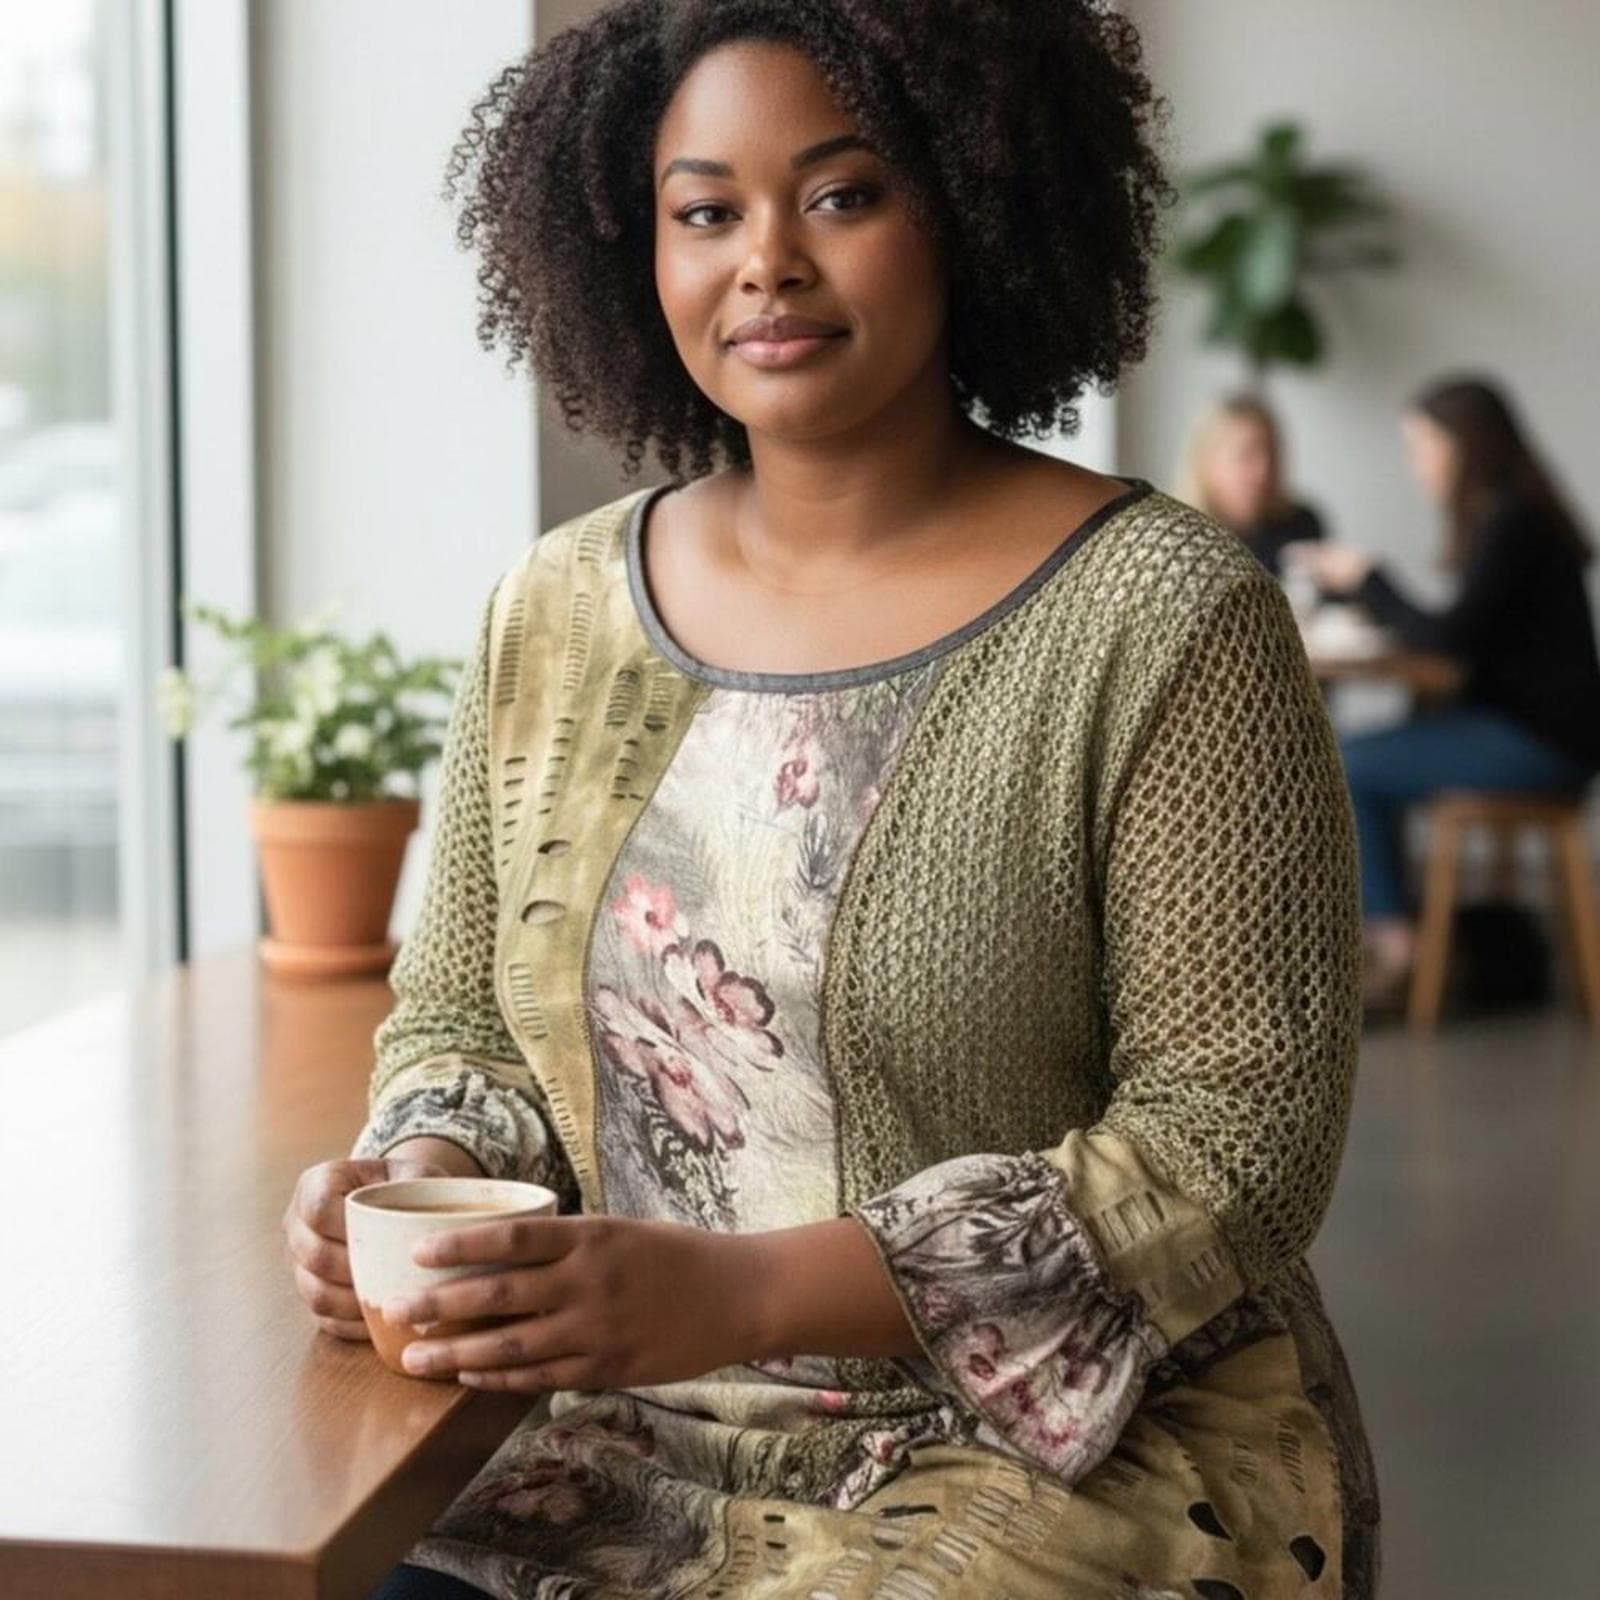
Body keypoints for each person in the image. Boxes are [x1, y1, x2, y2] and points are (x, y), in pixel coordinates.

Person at [282, 4, 1380, 1595]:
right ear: (633, 253)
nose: (767, 263)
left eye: (845, 195)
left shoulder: (1164, 615)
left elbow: (1236, 1145)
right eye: (705, 210)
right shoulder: (559, 607)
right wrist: (430, 1187)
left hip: (1074, 1451)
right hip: (622, 1434)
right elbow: (460, 1021)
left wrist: (743, 1295)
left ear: (974, 207)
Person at [1286, 375, 1600, 1013]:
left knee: (1345, 761)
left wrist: (1368, 576)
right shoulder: (1515, 518)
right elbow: (1466, 643)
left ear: (1462, 447)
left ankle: (1397, 951)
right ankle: (1400, 935)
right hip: (1540, 734)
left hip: (1541, 745)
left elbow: (1448, 640)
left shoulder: (1513, 523)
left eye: (1421, 447)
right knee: (1372, 751)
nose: (1417, 464)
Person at [1178, 392, 1328, 580]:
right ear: (1206, 461)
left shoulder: (1301, 524)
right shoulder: (1183, 541)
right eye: (1246, 455)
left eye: (1272, 454)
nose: (1263, 470)